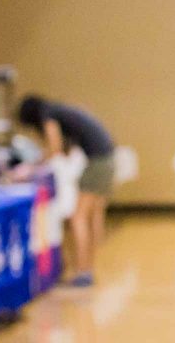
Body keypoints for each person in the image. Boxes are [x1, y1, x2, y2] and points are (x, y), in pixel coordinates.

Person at [17, 94, 115, 287]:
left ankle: (83, 271)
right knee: (87, 216)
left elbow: (55, 147)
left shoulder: (48, 114)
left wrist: (31, 167)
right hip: (106, 157)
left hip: (97, 162)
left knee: (77, 217)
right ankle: (84, 267)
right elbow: (64, 149)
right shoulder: (59, 110)